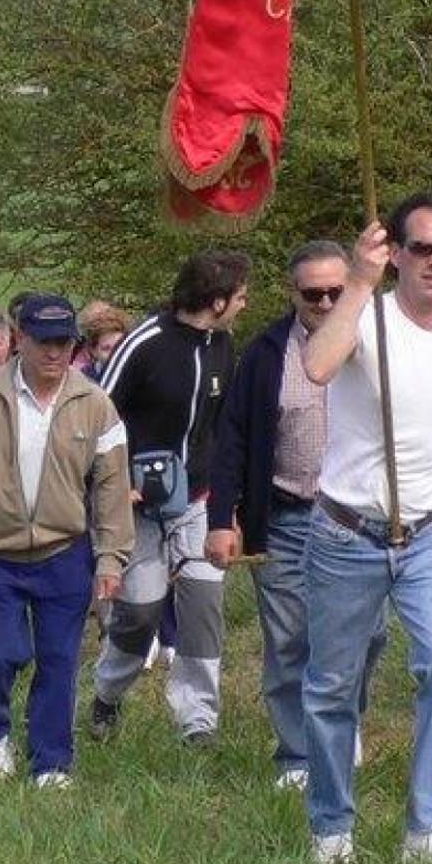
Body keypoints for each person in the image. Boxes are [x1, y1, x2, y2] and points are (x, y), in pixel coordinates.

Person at [299, 194, 432, 864]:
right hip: (347, 533)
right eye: (421, 247)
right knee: (332, 686)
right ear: (398, 254)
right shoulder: (364, 318)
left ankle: (429, 830)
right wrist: (357, 281)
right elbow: (317, 366)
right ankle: (331, 829)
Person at [0, 295, 133, 786]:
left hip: (66, 553)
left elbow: (111, 486)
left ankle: (51, 762)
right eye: (45, 342)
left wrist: (111, 557)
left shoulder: (95, 405)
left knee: (60, 661)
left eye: (65, 342)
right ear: (21, 339)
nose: (55, 352)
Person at [206, 241, 386, 790]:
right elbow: (231, 438)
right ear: (294, 294)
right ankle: (297, 756)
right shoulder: (264, 354)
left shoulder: (379, 344)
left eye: (337, 290)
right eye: (314, 293)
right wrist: (221, 516)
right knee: (290, 640)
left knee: (369, 635)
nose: (327, 301)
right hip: (284, 516)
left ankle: (339, 722)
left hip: (357, 518)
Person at [88, 251, 247, 748]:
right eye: (241, 296)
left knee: (203, 608)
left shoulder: (223, 343)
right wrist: (114, 486)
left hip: (198, 501)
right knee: (139, 613)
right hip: (138, 508)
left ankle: (197, 721)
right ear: (216, 300)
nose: (245, 304)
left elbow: (225, 428)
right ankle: (107, 696)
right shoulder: (145, 344)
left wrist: (228, 505)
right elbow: (98, 417)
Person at [74, 302, 133, 382]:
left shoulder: (135, 374)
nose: (114, 353)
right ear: (93, 350)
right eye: (106, 348)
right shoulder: (83, 380)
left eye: (119, 346)